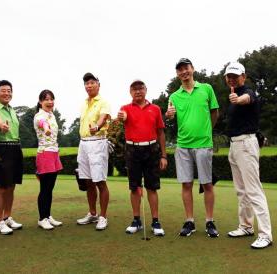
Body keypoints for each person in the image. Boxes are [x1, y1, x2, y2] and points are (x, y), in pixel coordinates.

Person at [165, 58, 220, 238]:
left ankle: (209, 221)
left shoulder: (206, 89)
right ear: (177, 74)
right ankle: (189, 221)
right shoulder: (174, 96)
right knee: (186, 184)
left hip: (204, 143)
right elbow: (170, 116)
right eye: (180, 70)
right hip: (183, 145)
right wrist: (169, 115)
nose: (183, 72)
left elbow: (215, 112)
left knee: (207, 184)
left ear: (192, 69)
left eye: (186, 68)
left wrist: (207, 132)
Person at [224, 62, 273, 249]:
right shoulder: (232, 96)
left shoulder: (248, 93)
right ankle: (245, 226)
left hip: (246, 144)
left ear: (243, 76)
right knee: (241, 190)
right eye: (229, 76)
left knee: (253, 190)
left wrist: (238, 99)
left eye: (235, 76)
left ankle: (266, 234)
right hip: (235, 146)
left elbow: (248, 98)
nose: (232, 79)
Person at [118, 80, 168, 235]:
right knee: (134, 187)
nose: (138, 91)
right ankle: (136, 220)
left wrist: (164, 155)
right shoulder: (125, 109)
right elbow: (122, 117)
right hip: (132, 149)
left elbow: (160, 132)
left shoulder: (155, 109)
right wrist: (122, 117)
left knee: (152, 187)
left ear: (146, 90)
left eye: (140, 88)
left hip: (152, 149)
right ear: (130, 92)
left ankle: (155, 221)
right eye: (134, 89)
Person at [0, 80, 23, 235]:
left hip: (16, 147)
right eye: (3, 90)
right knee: (2, 187)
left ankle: (7, 217)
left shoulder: (12, 110)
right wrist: (2, 126)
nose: (7, 93)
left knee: (12, 185)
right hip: (2, 148)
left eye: (9, 90)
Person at [76, 72, 111, 231]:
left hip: (98, 142)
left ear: (98, 84)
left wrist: (97, 126)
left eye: (92, 82)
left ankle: (103, 217)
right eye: (86, 83)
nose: (89, 85)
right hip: (83, 143)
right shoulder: (83, 103)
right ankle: (92, 213)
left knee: (100, 181)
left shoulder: (103, 102)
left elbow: (103, 117)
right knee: (88, 181)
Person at [33, 90, 63, 230]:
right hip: (45, 153)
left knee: (50, 188)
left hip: (54, 153)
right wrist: (46, 129)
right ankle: (42, 218)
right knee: (44, 188)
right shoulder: (39, 116)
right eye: (46, 99)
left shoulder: (52, 115)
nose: (50, 102)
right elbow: (42, 123)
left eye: (52, 99)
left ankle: (48, 215)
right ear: (40, 102)